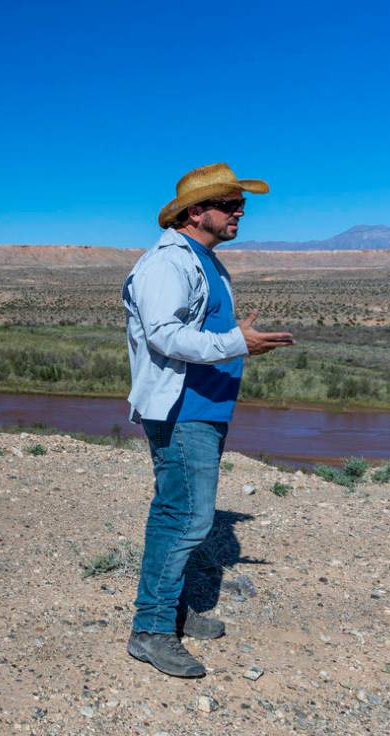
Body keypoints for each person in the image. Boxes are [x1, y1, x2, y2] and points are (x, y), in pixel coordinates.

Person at [121, 162, 295, 678]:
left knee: (180, 511)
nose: (240, 212)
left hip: (206, 406)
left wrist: (237, 337)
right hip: (182, 410)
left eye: (240, 205)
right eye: (230, 205)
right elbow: (164, 336)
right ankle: (150, 631)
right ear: (197, 212)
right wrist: (237, 342)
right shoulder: (166, 264)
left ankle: (169, 611)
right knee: (185, 517)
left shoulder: (207, 261)